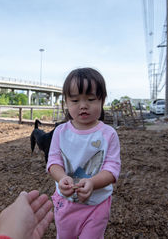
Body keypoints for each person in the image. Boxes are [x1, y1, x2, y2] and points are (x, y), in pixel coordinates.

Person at [47, 67, 121, 239]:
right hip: (66, 202)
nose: (83, 106)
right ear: (66, 101)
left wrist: (93, 183)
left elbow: (112, 168)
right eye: (74, 100)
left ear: (102, 100)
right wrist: (61, 178)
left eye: (91, 99)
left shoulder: (108, 134)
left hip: (96, 204)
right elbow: (53, 161)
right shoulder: (60, 132)